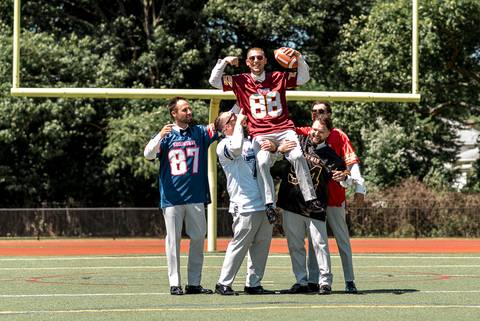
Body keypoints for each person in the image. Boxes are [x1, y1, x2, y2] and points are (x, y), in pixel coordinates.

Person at [209, 47, 325, 223]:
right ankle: (269, 204)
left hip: (284, 128)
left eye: (259, 58)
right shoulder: (241, 81)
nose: (256, 61)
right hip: (260, 133)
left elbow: (303, 78)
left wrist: (299, 58)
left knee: (298, 155)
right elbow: (214, 81)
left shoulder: (278, 77)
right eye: (252, 58)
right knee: (262, 162)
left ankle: (310, 199)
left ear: (265, 61)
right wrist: (225, 61)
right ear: (247, 62)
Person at [143, 97, 217, 296]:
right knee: (173, 241)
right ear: (174, 114)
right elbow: (148, 154)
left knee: (198, 238)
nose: (189, 112)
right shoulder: (165, 136)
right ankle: (174, 283)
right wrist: (159, 135)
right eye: (184, 110)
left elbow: (221, 123)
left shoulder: (200, 132)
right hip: (172, 197)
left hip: (196, 195)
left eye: (189, 108)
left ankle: (194, 283)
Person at [296, 102, 367, 293]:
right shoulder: (307, 132)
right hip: (314, 199)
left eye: (321, 111)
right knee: (314, 241)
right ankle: (313, 280)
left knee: (342, 240)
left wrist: (360, 188)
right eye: (314, 111)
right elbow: (283, 129)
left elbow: (351, 164)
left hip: (335, 197)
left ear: (329, 114)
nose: (317, 114)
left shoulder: (338, 135)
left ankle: (349, 280)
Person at [277, 116, 350, 295]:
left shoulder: (331, 156)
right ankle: (301, 281)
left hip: (315, 206)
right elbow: (276, 161)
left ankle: (325, 282)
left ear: (328, 134)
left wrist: (345, 178)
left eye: (321, 131)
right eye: (314, 129)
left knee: (320, 244)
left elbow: (343, 178)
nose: (316, 133)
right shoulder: (297, 141)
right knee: (295, 245)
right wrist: (279, 150)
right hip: (291, 202)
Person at [213, 110, 276, 295]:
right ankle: (223, 283)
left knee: (261, 245)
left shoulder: (251, 141)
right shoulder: (223, 145)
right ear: (225, 127)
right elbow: (236, 148)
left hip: (264, 202)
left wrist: (273, 149)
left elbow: (268, 164)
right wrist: (240, 123)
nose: (237, 119)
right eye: (231, 119)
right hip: (245, 203)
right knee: (239, 244)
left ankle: (253, 283)